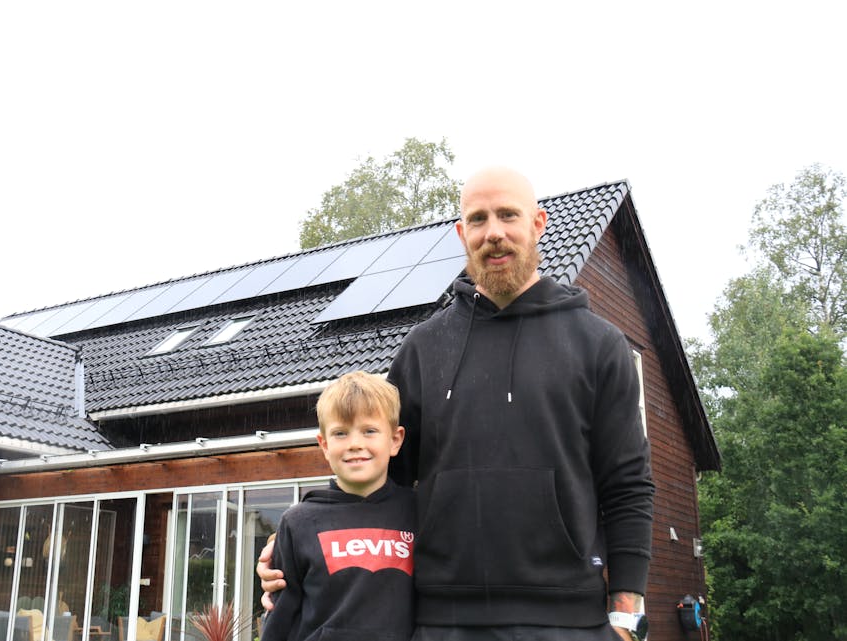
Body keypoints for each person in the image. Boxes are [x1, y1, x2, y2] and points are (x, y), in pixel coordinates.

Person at [261, 168, 654, 641]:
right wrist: (304, 541)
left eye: (508, 214)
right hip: (440, 620)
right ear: (461, 233)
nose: (494, 232)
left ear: (538, 223)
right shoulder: (424, 348)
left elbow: (628, 486)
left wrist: (627, 615)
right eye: (479, 219)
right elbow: (376, 471)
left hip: (568, 619)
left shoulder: (600, 346)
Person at [260, 370, 417, 641]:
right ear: (324, 445)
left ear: (395, 440)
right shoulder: (298, 522)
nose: (355, 444)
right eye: (341, 433)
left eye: (369, 431)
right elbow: (281, 615)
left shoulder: (419, 512)